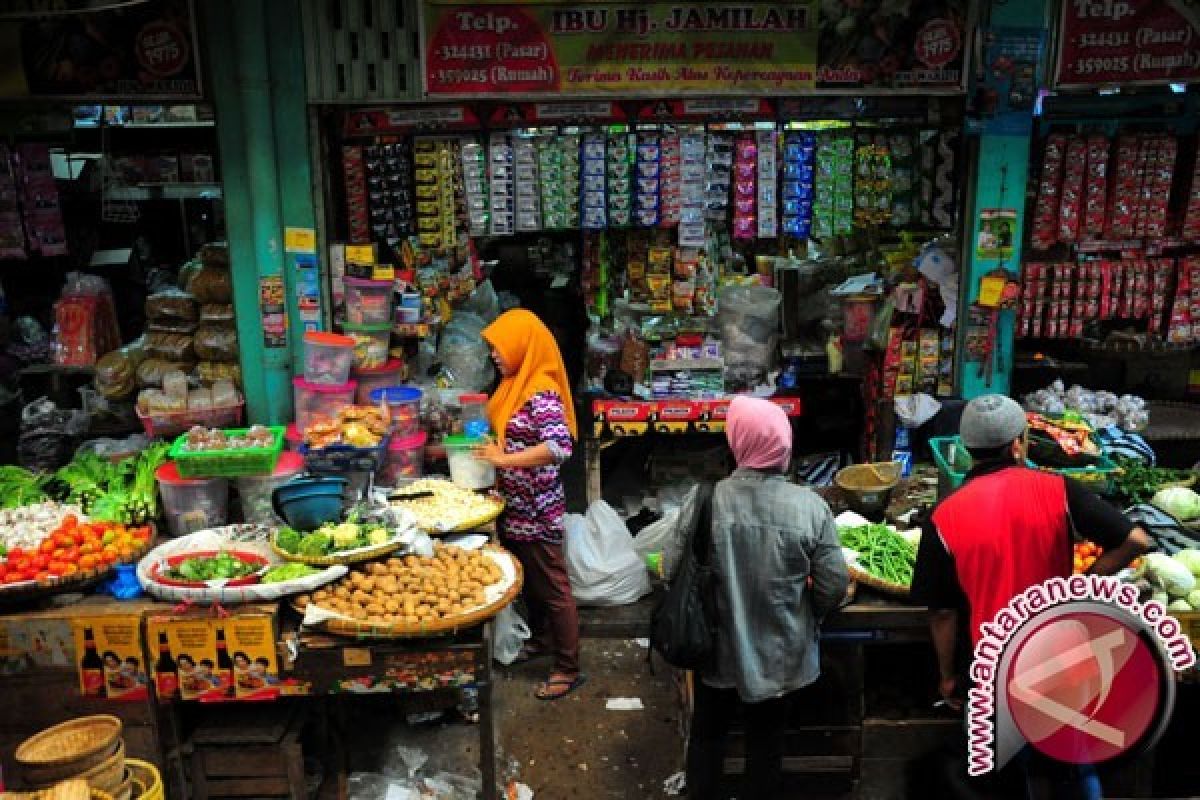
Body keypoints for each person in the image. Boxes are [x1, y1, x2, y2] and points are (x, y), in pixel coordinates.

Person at [911, 394, 1151, 799]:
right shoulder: (1058, 490)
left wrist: (949, 676)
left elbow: (943, 615)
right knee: (1074, 761)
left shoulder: (945, 515)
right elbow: (1135, 540)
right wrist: (1083, 584)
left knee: (1002, 775)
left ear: (967, 450)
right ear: (1018, 443)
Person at [686, 396, 850, 800]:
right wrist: (804, 614)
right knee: (766, 741)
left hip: (714, 648)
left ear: (737, 442)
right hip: (781, 652)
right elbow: (833, 585)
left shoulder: (704, 501)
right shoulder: (810, 506)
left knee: (708, 735)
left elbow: (674, 567)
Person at [474, 308, 584, 701]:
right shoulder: (513, 385)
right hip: (515, 506)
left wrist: (504, 461)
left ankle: (568, 667)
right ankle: (541, 641)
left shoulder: (540, 390)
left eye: (499, 347)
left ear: (522, 346)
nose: (494, 355)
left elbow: (558, 446)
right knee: (532, 584)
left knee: (553, 587)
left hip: (538, 510)